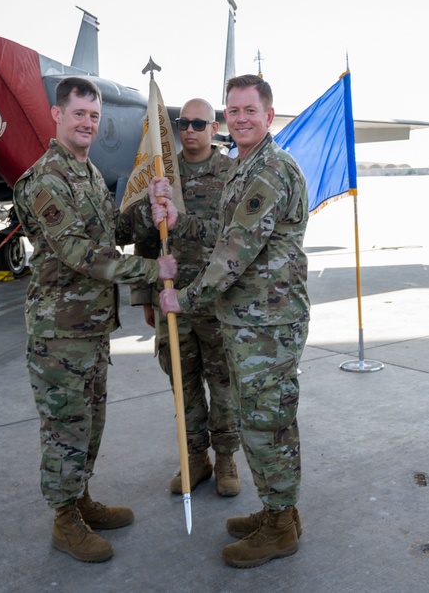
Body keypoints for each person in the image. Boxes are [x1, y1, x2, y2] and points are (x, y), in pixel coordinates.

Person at [12, 76, 177, 563]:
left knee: (90, 423)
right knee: (65, 426)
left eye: (93, 116)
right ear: (56, 116)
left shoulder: (86, 173)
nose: (88, 123)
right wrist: (151, 269)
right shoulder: (47, 180)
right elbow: (81, 253)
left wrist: (149, 210)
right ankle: (64, 520)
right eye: (79, 114)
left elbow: (113, 229)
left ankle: (79, 498)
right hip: (59, 334)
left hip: (90, 329)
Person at [151, 75, 310, 568]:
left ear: (269, 115)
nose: (241, 118)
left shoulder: (270, 171)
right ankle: (277, 512)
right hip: (248, 321)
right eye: (233, 110)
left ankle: (280, 526)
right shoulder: (246, 167)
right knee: (260, 419)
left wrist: (187, 298)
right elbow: (226, 231)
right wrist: (182, 222)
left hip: (268, 323)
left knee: (267, 424)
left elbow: (233, 254)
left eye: (249, 110)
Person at [130, 98, 240, 497]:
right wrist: (145, 296)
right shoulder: (161, 174)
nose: (190, 129)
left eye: (199, 123)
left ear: (214, 128)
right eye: (183, 122)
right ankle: (196, 458)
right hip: (171, 301)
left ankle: (226, 456)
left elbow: (235, 237)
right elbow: (143, 241)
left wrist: (186, 224)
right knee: (183, 381)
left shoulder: (231, 173)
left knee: (223, 381)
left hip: (215, 300)